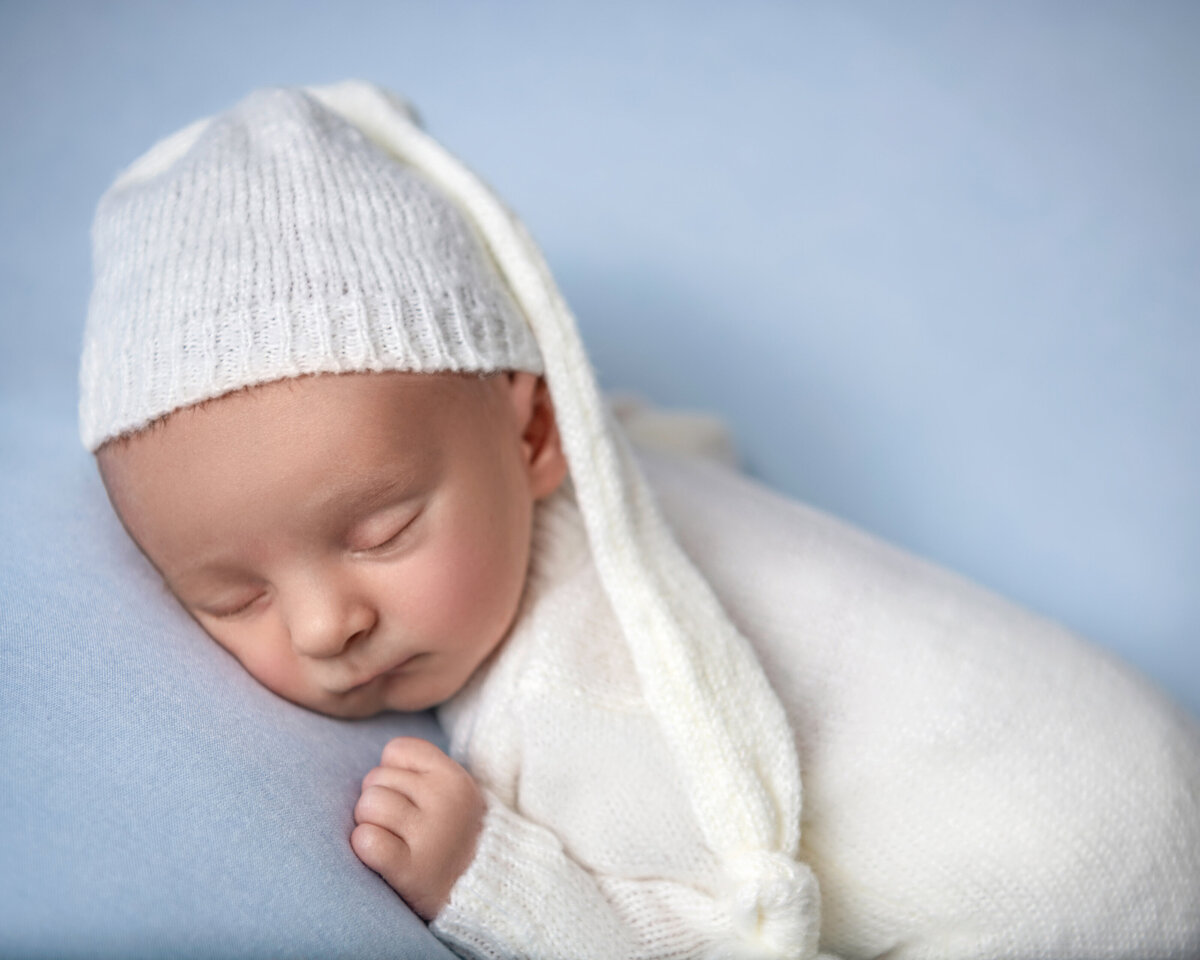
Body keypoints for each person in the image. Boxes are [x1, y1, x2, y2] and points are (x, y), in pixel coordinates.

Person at [80, 80, 1200, 960]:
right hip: (1131, 748)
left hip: (1065, 901)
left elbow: (720, 933)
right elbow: (693, 449)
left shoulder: (573, 690)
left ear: (533, 436)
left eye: (379, 531)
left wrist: (490, 876)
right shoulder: (621, 457)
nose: (326, 624)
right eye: (232, 594)